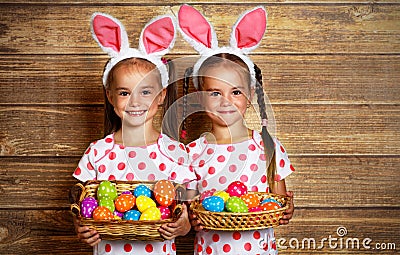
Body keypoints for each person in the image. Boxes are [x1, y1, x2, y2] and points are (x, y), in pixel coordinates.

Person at [72, 12, 195, 255]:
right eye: (125, 93)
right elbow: (82, 202)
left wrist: (183, 226)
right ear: (110, 96)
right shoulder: (97, 152)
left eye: (145, 92)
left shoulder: (175, 152)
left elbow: (188, 210)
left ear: (161, 96)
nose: (135, 102)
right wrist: (81, 226)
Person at [178, 5, 295, 254]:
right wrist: (192, 218)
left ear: (250, 95)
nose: (226, 101)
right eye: (215, 93)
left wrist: (286, 210)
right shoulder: (191, 154)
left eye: (236, 92)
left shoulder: (267, 147)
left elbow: (279, 202)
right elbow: (187, 213)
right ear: (200, 98)